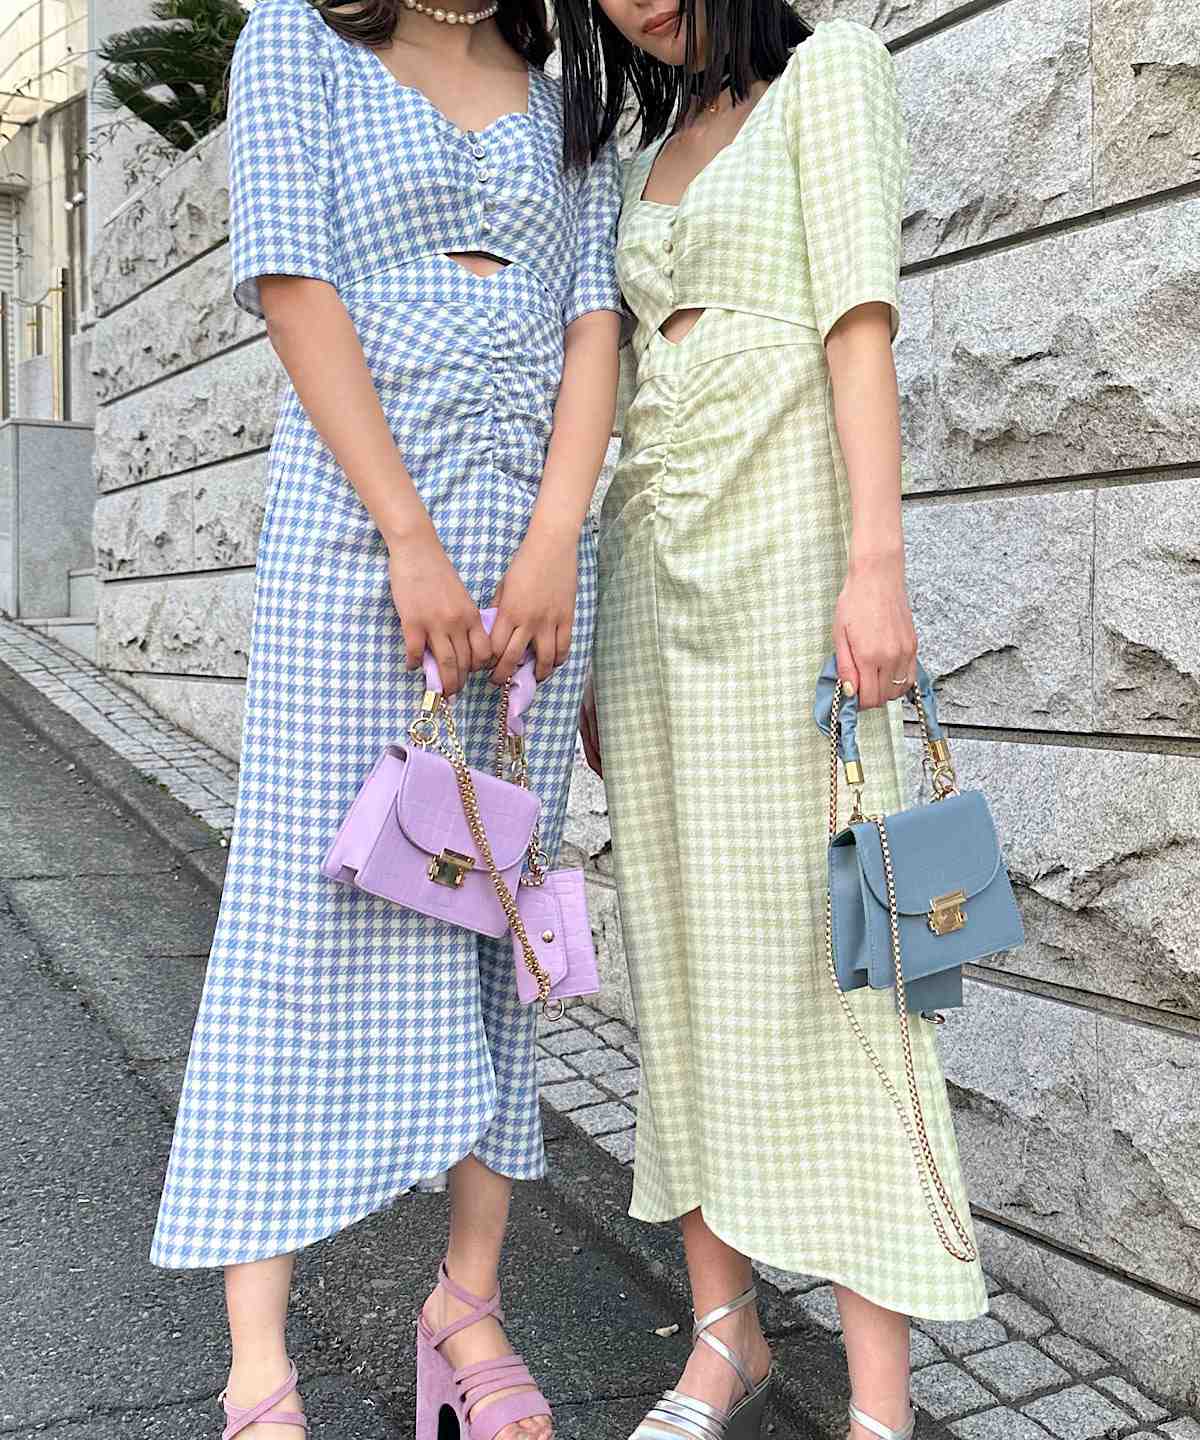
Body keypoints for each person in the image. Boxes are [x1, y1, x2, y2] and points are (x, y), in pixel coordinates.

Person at [149, 0, 621, 1434]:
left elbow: (593, 312)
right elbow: (293, 280)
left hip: (532, 551)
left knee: (495, 916)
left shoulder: (567, 90)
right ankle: (258, 1365)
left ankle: (466, 1304)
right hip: (362, 536)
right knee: (302, 915)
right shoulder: (298, 41)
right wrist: (409, 535)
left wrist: (558, 533)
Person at [565, 3, 988, 1439]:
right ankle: (724, 1338)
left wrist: (878, 563)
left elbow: (859, 326)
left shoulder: (832, 73)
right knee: (680, 955)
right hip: (651, 589)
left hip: (792, 570)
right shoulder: (639, 160)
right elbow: (624, 398)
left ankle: (880, 1405)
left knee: (840, 962)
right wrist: (594, 637)